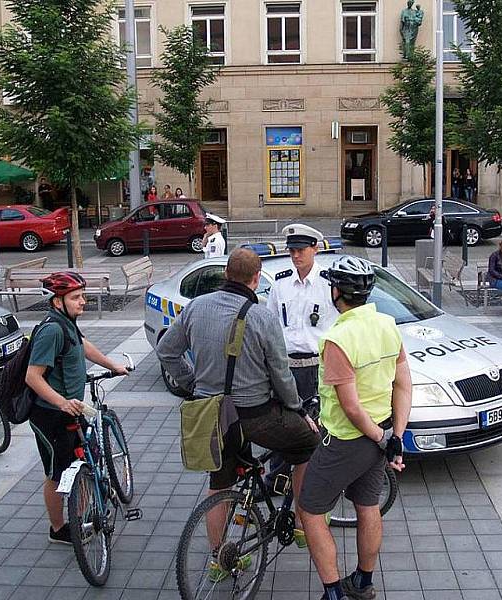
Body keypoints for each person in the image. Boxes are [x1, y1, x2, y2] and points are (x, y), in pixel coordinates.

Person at [156, 248, 320, 574]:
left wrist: (193, 385)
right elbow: (281, 374)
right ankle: (304, 523)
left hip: (213, 416)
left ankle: (220, 558)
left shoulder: (196, 308)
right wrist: (297, 408)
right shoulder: (262, 317)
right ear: (256, 279)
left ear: (226, 274)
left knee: (219, 483)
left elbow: (166, 351)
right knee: (307, 445)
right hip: (256, 416)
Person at [300, 255, 411, 600]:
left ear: (336, 292)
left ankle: (332, 593)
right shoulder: (387, 325)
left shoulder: (338, 338)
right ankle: (363, 583)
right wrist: (395, 437)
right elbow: (404, 384)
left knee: (311, 512)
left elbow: (349, 407)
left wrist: (381, 439)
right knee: (368, 507)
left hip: (348, 440)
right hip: (381, 433)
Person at [25, 272, 129, 544]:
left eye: (82, 295)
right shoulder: (51, 330)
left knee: (80, 461)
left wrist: (112, 366)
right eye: (76, 297)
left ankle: (80, 516)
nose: (83, 301)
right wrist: (61, 402)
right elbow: (32, 377)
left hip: (71, 410)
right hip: (49, 414)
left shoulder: (67, 323)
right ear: (57, 302)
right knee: (56, 472)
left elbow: (83, 345)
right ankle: (58, 529)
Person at [264, 224, 337, 493]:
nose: (295, 256)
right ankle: (276, 481)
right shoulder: (281, 283)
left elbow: (340, 326)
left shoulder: (329, 284)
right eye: (292, 251)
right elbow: (271, 323)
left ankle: (315, 482)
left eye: (301, 250)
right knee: (280, 426)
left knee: (317, 427)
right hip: (286, 367)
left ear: (315, 249)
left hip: (316, 366)